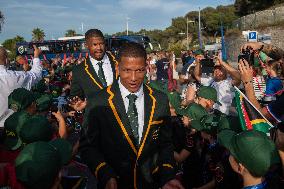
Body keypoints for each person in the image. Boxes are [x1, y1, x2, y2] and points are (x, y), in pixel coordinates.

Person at [79, 42, 183, 189]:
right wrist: (105, 173)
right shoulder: (98, 101)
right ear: (117, 68)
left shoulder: (160, 99)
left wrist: (167, 176)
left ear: (147, 69)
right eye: (127, 70)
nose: (133, 78)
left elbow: (165, 143)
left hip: (150, 183)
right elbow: (88, 146)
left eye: (139, 70)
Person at [0, 45, 42, 128]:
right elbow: (36, 75)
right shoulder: (14, 77)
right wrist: (36, 56)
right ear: (6, 59)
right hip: (11, 127)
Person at [70, 29, 118, 100]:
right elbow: (76, 97)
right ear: (86, 45)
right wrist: (79, 107)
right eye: (95, 44)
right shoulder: (79, 71)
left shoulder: (119, 61)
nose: (99, 48)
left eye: (101, 44)